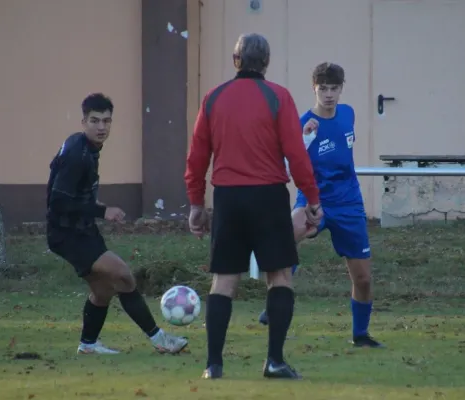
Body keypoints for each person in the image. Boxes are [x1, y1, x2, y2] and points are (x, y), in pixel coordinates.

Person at [184, 33, 323, 380]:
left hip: (228, 198)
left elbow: (198, 156)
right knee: (279, 276)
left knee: (224, 280)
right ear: (266, 63)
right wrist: (312, 199)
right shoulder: (278, 96)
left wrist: (196, 204)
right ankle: (274, 361)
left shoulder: (213, 98)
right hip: (268, 196)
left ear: (236, 61)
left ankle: (213, 365)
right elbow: (296, 153)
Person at [46, 93, 188, 355]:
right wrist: (103, 211)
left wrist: (100, 209)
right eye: (95, 121)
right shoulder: (77, 155)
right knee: (122, 274)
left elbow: (75, 196)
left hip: (81, 229)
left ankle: (88, 345)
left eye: (107, 121)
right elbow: (57, 202)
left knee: (102, 290)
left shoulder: (85, 147)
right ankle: (160, 339)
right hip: (67, 234)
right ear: (83, 121)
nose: (101, 127)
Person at [257, 63, 384, 349]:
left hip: (349, 204)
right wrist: (305, 140)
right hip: (313, 199)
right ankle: (275, 299)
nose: (328, 94)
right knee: (286, 236)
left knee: (363, 278)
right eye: (323, 88)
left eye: (333, 88)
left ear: (341, 88)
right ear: (314, 88)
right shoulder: (302, 123)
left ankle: (360, 335)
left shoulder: (348, 114)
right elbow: (286, 166)